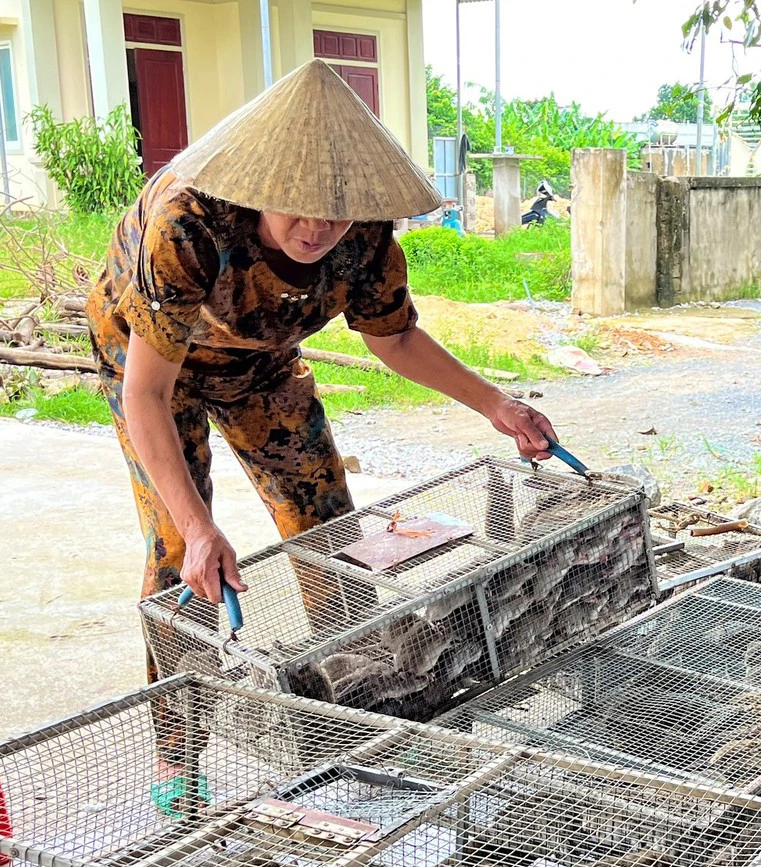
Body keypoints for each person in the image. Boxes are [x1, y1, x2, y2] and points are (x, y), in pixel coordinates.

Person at [86, 59, 557, 625]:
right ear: (258, 188)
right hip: (152, 359)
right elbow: (146, 394)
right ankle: (181, 709)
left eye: (335, 214)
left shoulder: (365, 235)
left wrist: (497, 405)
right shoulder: (188, 225)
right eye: (299, 208)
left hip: (263, 360)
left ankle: (350, 692)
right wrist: (197, 525)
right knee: (184, 552)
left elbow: (396, 337)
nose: (316, 229)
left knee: (328, 529)